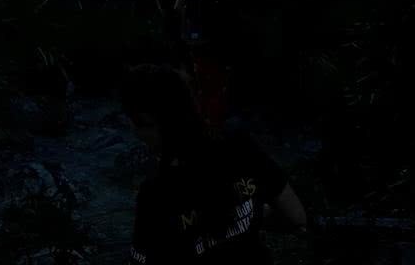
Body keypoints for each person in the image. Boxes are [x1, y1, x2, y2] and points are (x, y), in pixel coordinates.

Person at [122, 65, 307, 264]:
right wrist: (246, 214)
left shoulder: (155, 195)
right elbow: (296, 218)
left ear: (145, 122)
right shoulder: (242, 148)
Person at [174, 0, 237, 127]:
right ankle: (211, 127)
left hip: (193, 43)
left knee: (201, 85)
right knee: (215, 87)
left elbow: (180, 7)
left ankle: (200, 121)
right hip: (210, 47)